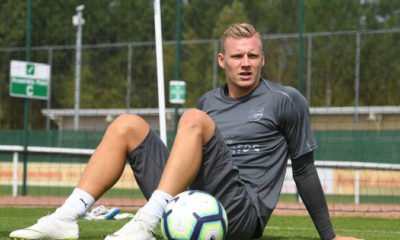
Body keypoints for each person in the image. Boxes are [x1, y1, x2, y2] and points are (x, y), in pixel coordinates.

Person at [10, 23, 358, 240]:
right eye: (237, 56)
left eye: (253, 55)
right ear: (222, 60)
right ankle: (67, 217)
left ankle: (146, 223)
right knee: (127, 125)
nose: (246, 63)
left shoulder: (286, 100)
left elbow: (305, 169)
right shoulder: (208, 102)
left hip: (242, 215)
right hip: (191, 199)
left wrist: (329, 237)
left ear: (263, 59)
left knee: (192, 119)